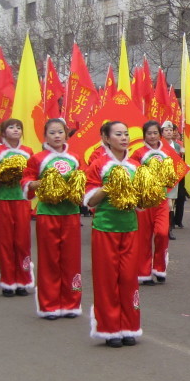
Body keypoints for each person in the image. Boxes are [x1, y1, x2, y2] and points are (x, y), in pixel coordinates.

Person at [82, 121, 142, 347]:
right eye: (118, 134)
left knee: (128, 278)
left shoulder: (135, 165)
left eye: (126, 133)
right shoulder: (98, 164)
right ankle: (109, 329)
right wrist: (108, 187)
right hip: (105, 228)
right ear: (106, 138)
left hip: (130, 227)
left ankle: (129, 326)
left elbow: (141, 202)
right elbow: (89, 200)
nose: (124, 138)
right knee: (107, 280)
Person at [23, 119, 84, 319]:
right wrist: (38, 184)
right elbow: (27, 179)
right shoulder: (38, 158)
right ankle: (49, 304)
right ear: (45, 136)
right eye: (52, 132)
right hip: (48, 214)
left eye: (60, 132)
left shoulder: (75, 157)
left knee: (71, 259)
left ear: (66, 134)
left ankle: (71, 303)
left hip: (71, 214)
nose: (57, 136)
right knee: (49, 260)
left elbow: (83, 179)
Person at [0, 119, 35, 297]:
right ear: (3, 133)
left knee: (22, 242)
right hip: (3, 201)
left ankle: (23, 280)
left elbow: (32, 175)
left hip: (21, 202)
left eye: (18, 127)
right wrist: (2, 174)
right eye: (11, 127)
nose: (15, 130)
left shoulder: (28, 152)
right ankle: (7, 281)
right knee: (4, 242)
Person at [131, 121, 173, 285]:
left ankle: (160, 268)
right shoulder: (138, 154)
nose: (152, 136)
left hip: (161, 200)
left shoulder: (167, 152)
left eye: (155, 133)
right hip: (144, 202)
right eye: (149, 133)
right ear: (144, 135)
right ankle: (145, 272)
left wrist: (169, 195)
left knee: (162, 233)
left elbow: (172, 176)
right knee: (144, 237)